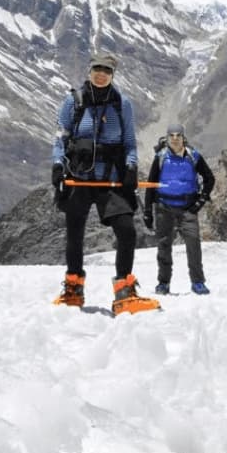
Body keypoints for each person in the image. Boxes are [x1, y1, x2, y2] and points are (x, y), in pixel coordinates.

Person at [50, 54, 159, 315]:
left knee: (126, 230)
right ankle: (73, 290)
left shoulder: (122, 104)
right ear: (90, 71)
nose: (101, 74)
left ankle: (125, 292)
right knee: (74, 234)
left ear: (113, 74)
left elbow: (130, 143)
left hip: (111, 180)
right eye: (97, 69)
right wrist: (57, 164)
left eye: (107, 70)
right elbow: (60, 140)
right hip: (79, 178)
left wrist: (131, 167)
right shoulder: (72, 102)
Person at [143, 123, 216, 295]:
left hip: (188, 208)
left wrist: (200, 202)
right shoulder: (160, 157)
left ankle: (198, 282)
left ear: (183, 137)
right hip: (164, 207)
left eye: (178, 135)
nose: (175, 138)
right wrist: (147, 211)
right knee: (164, 246)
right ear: (167, 138)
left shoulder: (194, 156)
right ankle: (163, 283)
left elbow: (209, 178)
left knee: (193, 245)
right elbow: (151, 184)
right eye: (172, 135)